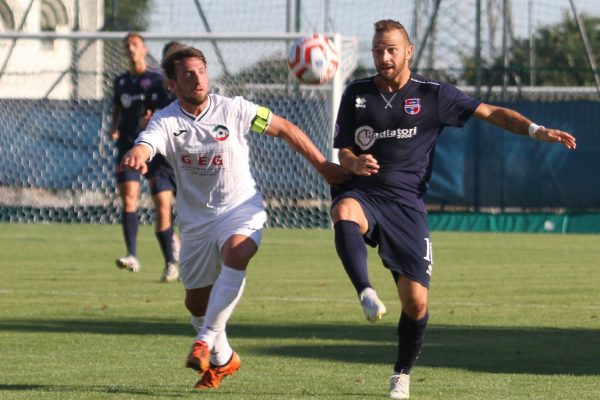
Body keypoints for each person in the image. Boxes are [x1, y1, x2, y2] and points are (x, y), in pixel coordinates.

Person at [330, 19, 576, 399]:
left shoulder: (433, 93)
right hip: (366, 195)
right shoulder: (356, 93)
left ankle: (402, 373)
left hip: (408, 208)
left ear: (408, 51)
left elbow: (491, 112)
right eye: (378, 50)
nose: (384, 57)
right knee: (344, 210)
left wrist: (535, 130)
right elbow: (344, 150)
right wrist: (352, 164)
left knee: (416, 304)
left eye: (391, 49)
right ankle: (365, 291)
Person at [121, 46, 348, 390]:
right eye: (187, 74)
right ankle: (223, 359)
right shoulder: (166, 120)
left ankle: (206, 340)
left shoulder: (236, 110)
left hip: (241, 209)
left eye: (201, 71)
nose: (197, 78)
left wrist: (324, 167)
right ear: (172, 84)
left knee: (238, 251)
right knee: (196, 303)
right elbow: (147, 143)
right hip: (196, 225)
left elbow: (284, 127)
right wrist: (138, 152)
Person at [110, 32, 164, 274]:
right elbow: (117, 109)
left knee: (161, 203)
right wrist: (114, 127)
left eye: (135, 45)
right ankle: (132, 254)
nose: (131, 49)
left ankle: (171, 246)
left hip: (152, 149)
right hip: (127, 149)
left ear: (144, 49)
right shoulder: (120, 82)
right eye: (127, 45)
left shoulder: (156, 79)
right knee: (129, 198)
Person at [138, 41, 186, 283]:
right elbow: (142, 123)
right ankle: (170, 264)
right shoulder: (154, 91)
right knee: (162, 211)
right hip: (160, 164)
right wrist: (145, 124)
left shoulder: (189, 92)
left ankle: (191, 260)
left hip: (186, 162)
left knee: (190, 216)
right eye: (172, 60)